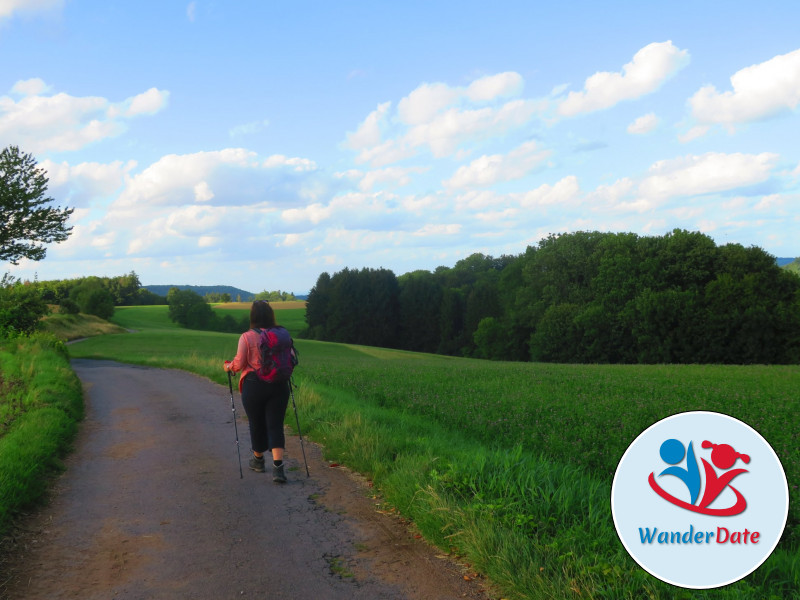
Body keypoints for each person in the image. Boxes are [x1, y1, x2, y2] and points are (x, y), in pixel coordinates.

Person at [224, 301, 291, 483]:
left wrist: (228, 366)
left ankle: (258, 460)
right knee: (276, 424)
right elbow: (290, 357)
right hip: (279, 384)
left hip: (254, 384)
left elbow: (238, 364)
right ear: (271, 315)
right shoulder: (281, 334)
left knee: (256, 422)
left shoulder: (246, 337)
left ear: (252, 316)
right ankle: (278, 469)